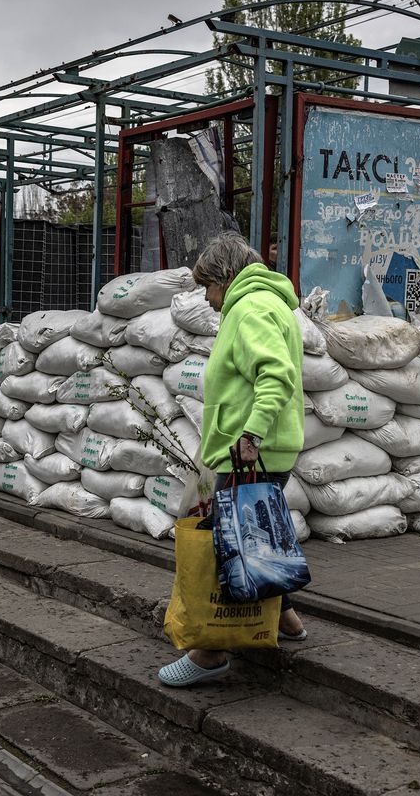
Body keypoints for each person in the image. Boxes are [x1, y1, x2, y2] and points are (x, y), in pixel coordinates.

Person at [159, 231, 307, 688]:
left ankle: (210, 652)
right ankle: (286, 619)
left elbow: (275, 375)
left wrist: (251, 434)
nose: (207, 297)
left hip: (251, 450)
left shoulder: (250, 309)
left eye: (208, 286)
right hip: (257, 447)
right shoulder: (265, 304)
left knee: (231, 544)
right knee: (255, 533)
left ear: (225, 277)